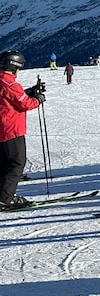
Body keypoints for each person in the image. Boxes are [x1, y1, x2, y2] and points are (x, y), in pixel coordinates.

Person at [0, 51, 45, 210]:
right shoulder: (10, 84)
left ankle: (4, 195)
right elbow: (24, 104)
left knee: (4, 164)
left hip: (2, 129)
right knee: (16, 163)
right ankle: (5, 199)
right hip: (11, 129)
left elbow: (10, 99)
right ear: (14, 66)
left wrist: (28, 92)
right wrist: (37, 99)